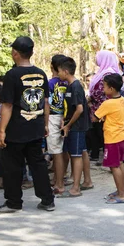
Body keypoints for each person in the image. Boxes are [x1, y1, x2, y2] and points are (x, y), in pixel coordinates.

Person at [0, 36, 54, 213]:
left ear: (15, 53)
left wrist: (2, 130)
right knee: (38, 164)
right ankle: (47, 200)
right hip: (35, 126)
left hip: (16, 129)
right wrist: (45, 124)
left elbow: (7, 105)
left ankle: (14, 202)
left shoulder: (12, 75)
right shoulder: (41, 73)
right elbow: (45, 102)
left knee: (12, 166)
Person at [57, 57, 91, 198]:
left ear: (66, 71)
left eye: (59, 71)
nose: (58, 74)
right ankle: (87, 181)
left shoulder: (76, 86)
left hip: (77, 126)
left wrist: (68, 125)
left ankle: (75, 188)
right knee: (82, 152)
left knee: (76, 156)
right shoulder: (70, 86)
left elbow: (79, 109)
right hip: (73, 124)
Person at [95, 74, 124, 204]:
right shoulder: (121, 99)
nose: (103, 89)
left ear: (111, 88)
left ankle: (122, 194)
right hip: (121, 136)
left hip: (112, 138)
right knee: (119, 164)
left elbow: (95, 117)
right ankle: (121, 190)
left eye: (104, 86)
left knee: (114, 166)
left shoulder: (107, 103)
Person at [87, 51, 122, 163]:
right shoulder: (104, 72)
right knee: (98, 131)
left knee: (100, 131)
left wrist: (90, 98)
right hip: (98, 104)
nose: (96, 60)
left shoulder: (108, 74)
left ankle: (104, 156)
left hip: (101, 106)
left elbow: (100, 90)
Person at [47, 54, 68, 194]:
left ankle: (59, 184)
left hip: (53, 117)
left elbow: (46, 104)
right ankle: (59, 178)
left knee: (56, 152)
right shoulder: (67, 82)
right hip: (65, 118)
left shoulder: (50, 83)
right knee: (63, 150)